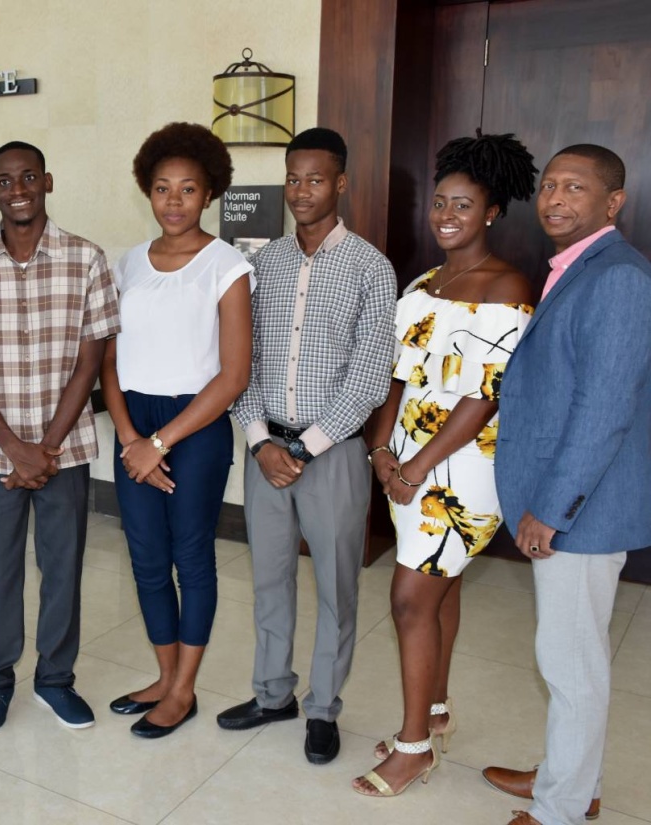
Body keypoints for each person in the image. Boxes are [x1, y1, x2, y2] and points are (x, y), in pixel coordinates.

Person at [351, 134, 537, 797]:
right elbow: (396, 377)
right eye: (439, 203)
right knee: (441, 586)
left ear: (491, 211)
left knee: (408, 599)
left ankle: (414, 749)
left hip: (462, 470)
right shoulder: (426, 283)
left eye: (463, 204)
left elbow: (483, 396)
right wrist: (381, 448)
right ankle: (432, 709)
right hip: (405, 461)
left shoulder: (509, 285)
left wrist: (414, 465)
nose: (446, 214)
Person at [0, 141, 121, 735]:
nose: (18, 189)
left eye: (29, 177)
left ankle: (55, 681)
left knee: (62, 567)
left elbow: (90, 364)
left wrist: (46, 449)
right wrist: (16, 448)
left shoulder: (87, 260)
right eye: (5, 180)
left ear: (47, 182)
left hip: (66, 449)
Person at [488, 144, 651, 825]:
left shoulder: (619, 278)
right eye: (549, 185)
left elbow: (604, 410)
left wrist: (550, 510)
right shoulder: (577, 267)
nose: (554, 198)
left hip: (583, 508)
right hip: (572, 500)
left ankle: (561, 808)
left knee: (571, 661)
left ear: (612, 202)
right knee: (564, 653)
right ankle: (567, 777)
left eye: (574, 187)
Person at [223, 127, 396, 765]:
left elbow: (371, 374)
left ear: (341, 184)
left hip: (336, 456)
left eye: (315, 179)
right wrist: (263, 441)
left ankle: (323, 707)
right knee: (268, 579)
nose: (301, 191)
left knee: (335, 587)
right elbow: (238, 363)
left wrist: (309, 446)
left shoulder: (371, 267)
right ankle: (273, 694)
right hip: (265, 450)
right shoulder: (260, 264)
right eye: (293, 178)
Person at [101, 123, 253, 738]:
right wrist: (129, 435)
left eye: (188, 189)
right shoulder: (127, 264)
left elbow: (235, 374)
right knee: (143, 557)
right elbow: (107, 359)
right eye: (162, 188)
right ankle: (163, 676)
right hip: (132, 422)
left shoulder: (228, 265)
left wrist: (159, 443)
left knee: (190, 556)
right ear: (147, 191)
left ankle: (185, 689)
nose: (173, 200)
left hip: (197, 424)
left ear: (209, 193)